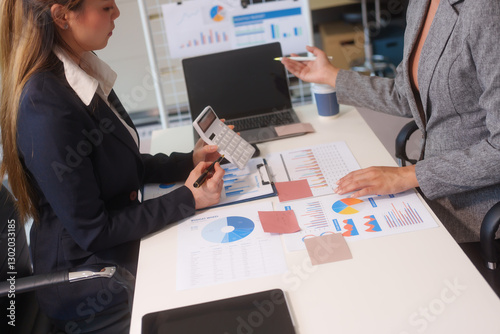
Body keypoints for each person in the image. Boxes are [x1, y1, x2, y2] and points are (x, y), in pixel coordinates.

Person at [0, 0, 225, 331]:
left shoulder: (80, 70)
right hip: (90, 280)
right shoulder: (44, 106)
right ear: (62, 16)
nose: (117, 13)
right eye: (106, 7)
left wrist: (187, 163)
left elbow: (117, 165)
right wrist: (189, 198)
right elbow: (94, 231)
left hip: (114, 252)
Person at [282, 0, 500, 244]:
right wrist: (331, 75)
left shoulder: (487, 9)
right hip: (434, 193)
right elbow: (406, 97)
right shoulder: (421, 4)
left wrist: (408, 175)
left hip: (479, 214)